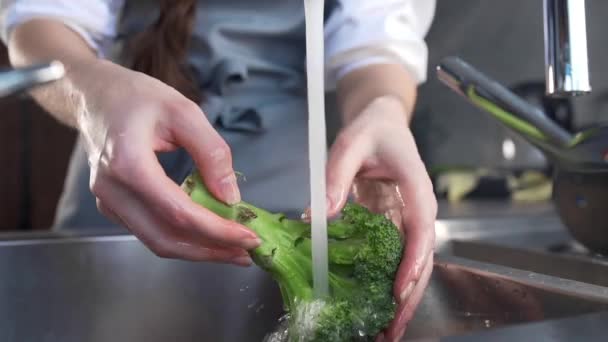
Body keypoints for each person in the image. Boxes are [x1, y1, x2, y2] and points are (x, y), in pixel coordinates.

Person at [0, 0, 437, 340]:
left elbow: (377, 38)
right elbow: (44, 20)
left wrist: (384, 109)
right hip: (122, 163)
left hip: (291, 180)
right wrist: (91, 96)